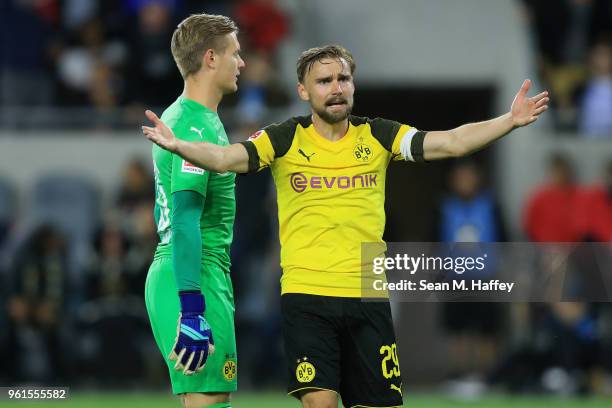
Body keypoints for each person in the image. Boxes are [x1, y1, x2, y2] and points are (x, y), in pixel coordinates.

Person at [143, 44, 549, 408]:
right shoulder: (284, 139)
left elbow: (452, 142)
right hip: (306, 296)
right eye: (324, 81)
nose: (335, 87)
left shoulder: (378, 136)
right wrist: (181, 146)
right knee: (320, 404)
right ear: (304, 91)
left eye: (343, 78)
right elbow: (228, 158)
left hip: (367, 295)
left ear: (353, 86)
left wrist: (508, 121)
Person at [144, 13, 244, 408]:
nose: (243, 62)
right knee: (209, 398)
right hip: (191, 272)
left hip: (197, 269)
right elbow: (185, 219)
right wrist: (191, 308)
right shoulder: (193, 126)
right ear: (211, 59)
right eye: (235, 53)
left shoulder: (196, 120)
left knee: (212, 398)